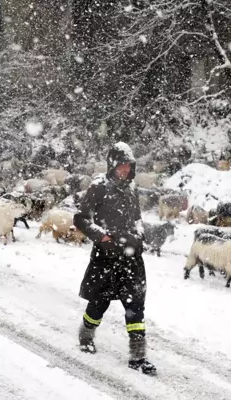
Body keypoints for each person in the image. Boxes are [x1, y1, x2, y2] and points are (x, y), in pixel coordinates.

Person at [73, 142, 156, 375]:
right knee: (99, 302)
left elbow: (138, 219)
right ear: (112, 165)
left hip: (131, 258)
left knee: (135, 305)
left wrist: (139, 235)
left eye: (128, 166)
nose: (125, 171)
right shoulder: (99, 187)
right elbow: (81, 219)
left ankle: (138, 356)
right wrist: (103, 237)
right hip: (106, 257)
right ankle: (86, 334)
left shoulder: (131, 190)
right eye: (121, 166)